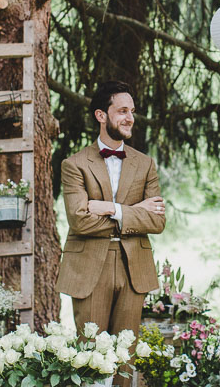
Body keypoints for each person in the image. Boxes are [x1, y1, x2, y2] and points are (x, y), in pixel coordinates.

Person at [56, 81, 166, 386]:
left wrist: (110, 208)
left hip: (134, 268)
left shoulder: (145, 164)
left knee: (125, 359)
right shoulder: (74, 164)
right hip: (89, 267)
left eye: (132, 111)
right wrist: (135, 211)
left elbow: (157, 222)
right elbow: (80, 222)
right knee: (89, 357)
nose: (130, 117)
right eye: (122, 111)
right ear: (101, 115)